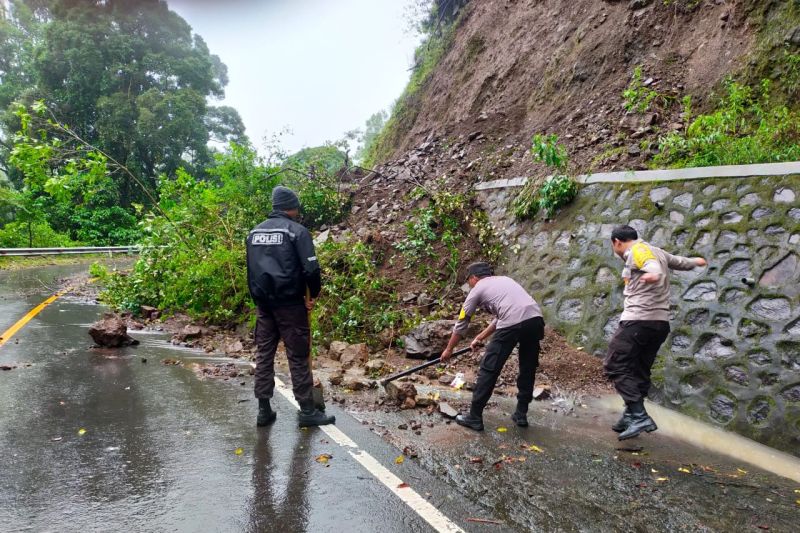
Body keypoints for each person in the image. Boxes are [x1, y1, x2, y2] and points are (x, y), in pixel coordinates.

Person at [605, 225, 707, 440]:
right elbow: (680, 262)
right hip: (659, 323)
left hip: (638, 321)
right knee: (640, 369)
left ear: (617, 242)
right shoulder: (655, 250)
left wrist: (653, 274)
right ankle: (630, 415)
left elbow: (653, 267)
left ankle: (639, 416)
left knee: (615, 365)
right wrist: (696, 262)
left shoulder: (637, 251)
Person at [246, 186, 335, 428]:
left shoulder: (253, 233)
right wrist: (312, 295)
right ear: (292, 207)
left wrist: (258, 301)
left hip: (264, 305)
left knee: (264, 354)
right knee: (297, 354)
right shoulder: (297, 232)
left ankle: (263, 410)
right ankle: (307, 410)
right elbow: (311, 269)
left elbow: (250, 271)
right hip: (291, 305)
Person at [441, 262, 545, 431]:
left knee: (489, 369)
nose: (469, 285)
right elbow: (503, 315)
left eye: (469, 281)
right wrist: (480, 337)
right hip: (535, 320)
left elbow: (462, 322)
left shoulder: (477, 289)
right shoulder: (504, 280)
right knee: (528, 368)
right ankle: (521, 414)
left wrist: (449, 349)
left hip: (512, 323)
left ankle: (474, 417)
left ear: (474, 278)